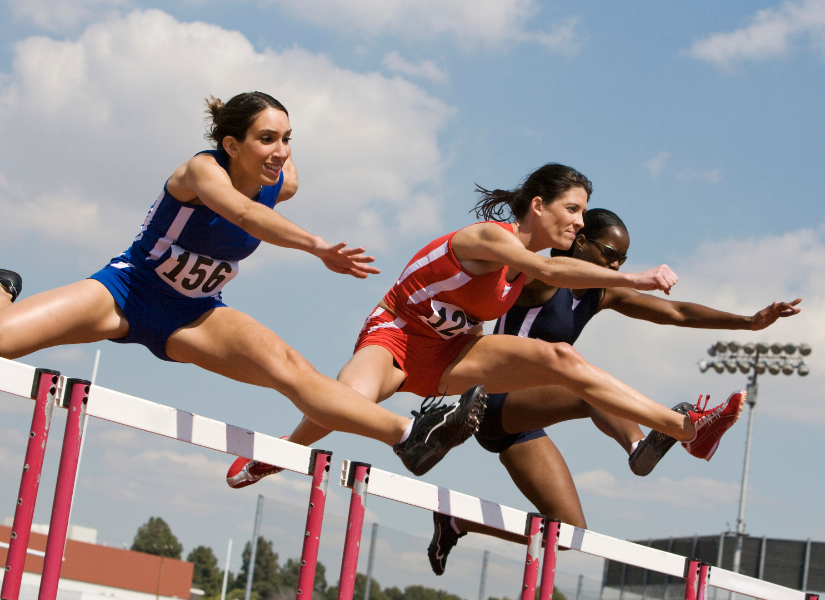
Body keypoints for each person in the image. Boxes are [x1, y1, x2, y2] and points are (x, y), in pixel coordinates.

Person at [0, 91, 485, 477]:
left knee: (292, 369)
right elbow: (244, 213)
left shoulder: (283, 179)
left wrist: (279, 154)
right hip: (127, 292)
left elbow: (270, 189)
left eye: (287, 139)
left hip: (195, 312)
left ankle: (410, 433)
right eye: (267, 139)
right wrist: (317, 247)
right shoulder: (199, 170)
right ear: (231, 145)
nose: (281, 152)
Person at [231, 163, 747, 488]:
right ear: (538, 205)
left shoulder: (532, 259)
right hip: (398, 335)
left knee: (561, 359)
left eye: (583, 216)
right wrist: (637, 277)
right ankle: (280, 453)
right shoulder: (490, 238)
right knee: (348, 399)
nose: (578, 224)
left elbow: (558, 272)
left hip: (455, 353)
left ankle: (686, 429)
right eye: (573, 210)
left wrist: (743, 319)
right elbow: (551, 270)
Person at [426, 208, 801, 575]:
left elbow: (677, 313)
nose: (616, 267)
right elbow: (527, 269)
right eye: (609, 255)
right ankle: (641, 446)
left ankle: (459, 523)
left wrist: (748, 323)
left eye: (622, 260)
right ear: (581, 242)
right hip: (491, 399)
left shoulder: (600, 293)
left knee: (570, 532)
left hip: (519, 424)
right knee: (582, 380)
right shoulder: (542, 279)